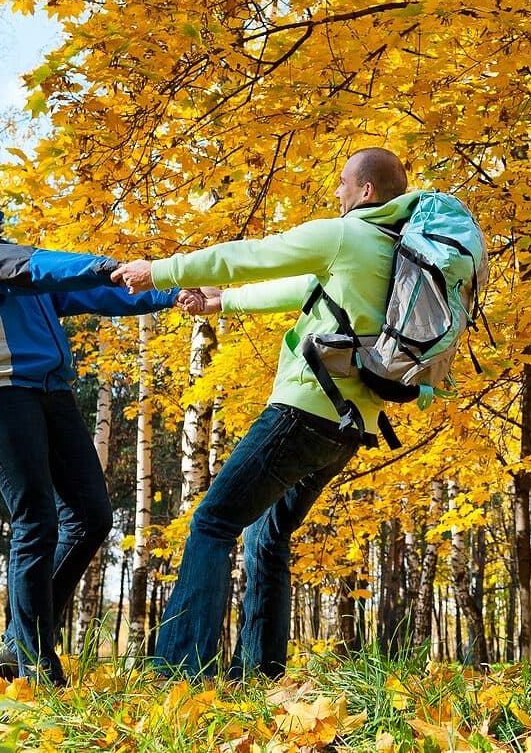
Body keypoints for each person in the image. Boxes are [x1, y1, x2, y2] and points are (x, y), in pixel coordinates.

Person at [112, 147, 411, 678]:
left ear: (366, 191)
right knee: (266, 534)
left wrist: (159, 271)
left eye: (343, 183)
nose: (337, 193)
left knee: (213, 521)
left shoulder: (346, 234)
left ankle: (180, 672)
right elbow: (303, 290)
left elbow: (250, 255)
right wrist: (219, 304)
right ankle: (261, 672)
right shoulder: (393, 250)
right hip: (348, 429)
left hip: (302, 413)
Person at [0, 154, 182, 685]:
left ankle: (18, 645)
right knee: (35, 517)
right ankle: (36, 666)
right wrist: (101, 260)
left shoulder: (10, 256)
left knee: (90, 515)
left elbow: (93, 293)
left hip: (50, 391)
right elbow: (20, 267)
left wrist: (175, 292)